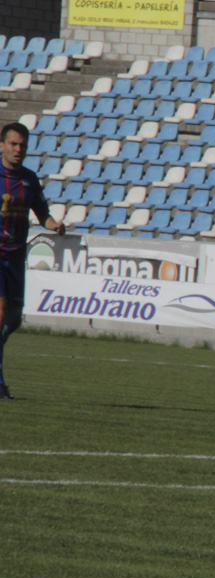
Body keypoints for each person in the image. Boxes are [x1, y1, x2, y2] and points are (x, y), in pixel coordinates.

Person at [0, 122, 65, 399]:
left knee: (13, 320)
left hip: (16, 257)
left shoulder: (29, 178)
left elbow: (42, 213)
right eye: (13, 144)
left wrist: (54, 225)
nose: (18, 149)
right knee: (1, 312)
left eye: (22, 145)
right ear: (1, 145)